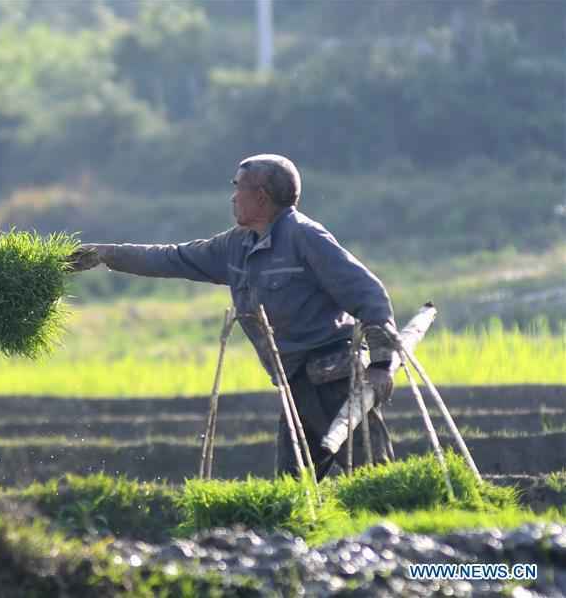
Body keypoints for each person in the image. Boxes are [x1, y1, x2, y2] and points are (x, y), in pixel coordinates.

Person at [68, 154, 397, 480]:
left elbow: (367, 293)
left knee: (374, 477)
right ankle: (290, 534)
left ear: (261, 196)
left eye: (238, 187)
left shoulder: (305, 237)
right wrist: (105, 254)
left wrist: (382, 365)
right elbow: (172, 258)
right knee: (294, 486)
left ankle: (407, 527)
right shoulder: (236, 245)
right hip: (293, 383)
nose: (232, 196)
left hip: (334, 381)